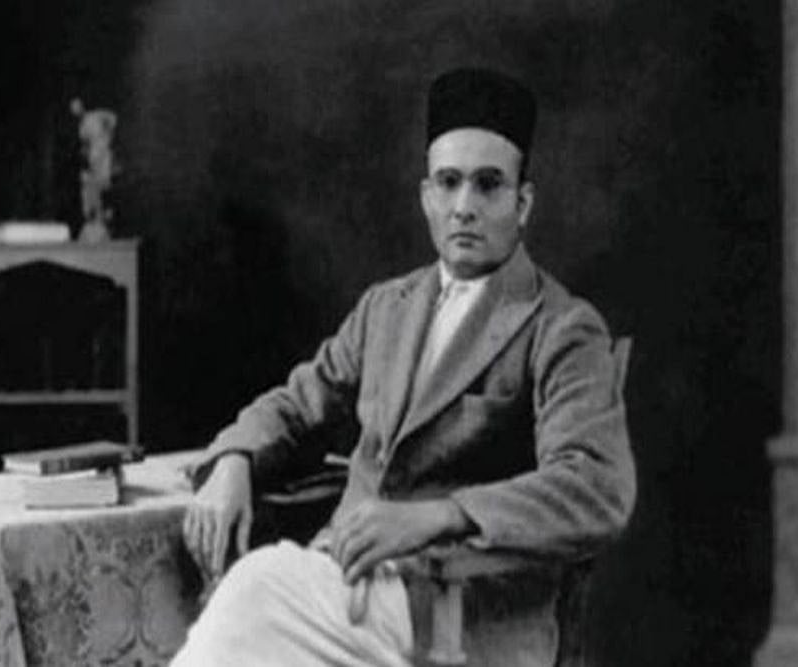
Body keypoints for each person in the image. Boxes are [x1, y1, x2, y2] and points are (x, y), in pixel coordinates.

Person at [173, 67, 636, 667]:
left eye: (488, 185)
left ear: (522, 204)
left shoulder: (563, 326)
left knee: (254, 589)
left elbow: (596, 485)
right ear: (426, 198)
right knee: (246, 608)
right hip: (348, 583)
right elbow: (298, 405)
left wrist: (440, 516)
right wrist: (235, 459)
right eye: (449, 183)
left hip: (462, 613)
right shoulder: (386, 308)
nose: (464, 206)